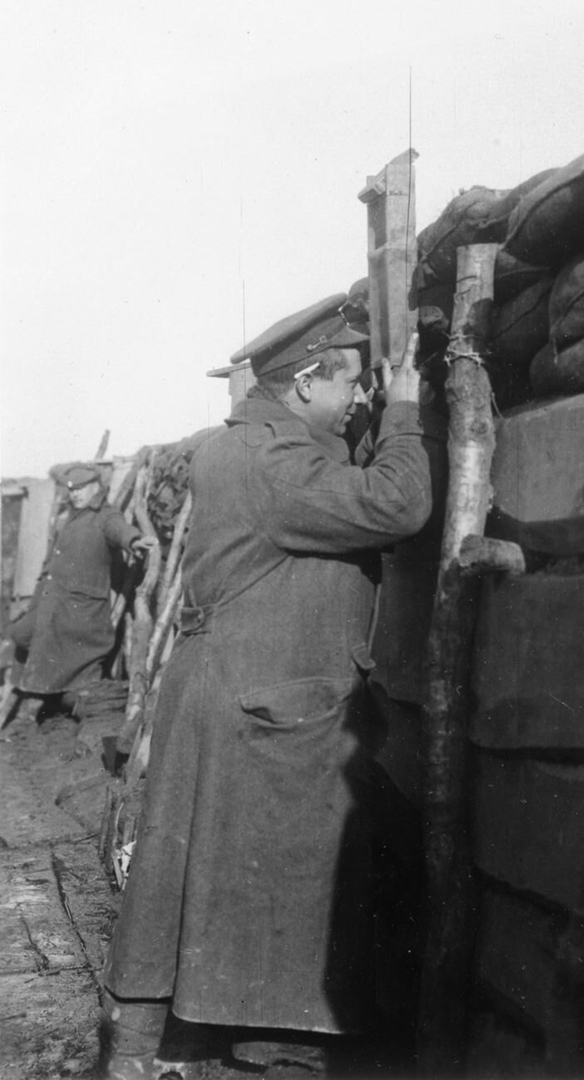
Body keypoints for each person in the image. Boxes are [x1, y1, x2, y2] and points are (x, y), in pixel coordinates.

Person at [100, 294, 436, 1079]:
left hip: (248, 688)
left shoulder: (249, 443)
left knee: (223, 871)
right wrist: (405, 415)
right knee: (284, 865)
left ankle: (224, 1031)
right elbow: (398, 504)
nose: (359, 395)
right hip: (265, 700)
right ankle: (175, 1043)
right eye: (350, 380)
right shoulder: (275, 462)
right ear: (307, 381)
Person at [4, 464, 156, 726]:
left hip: (81, 611)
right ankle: (37, 694)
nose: (75, 494)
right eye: (72, 490)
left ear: (96, 486)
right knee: (22, 633)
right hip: (52, 602)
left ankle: (32, 706)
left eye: (81, 489)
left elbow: (119, 529)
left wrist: (134, 540)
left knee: (52, 644)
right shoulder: (70, 518)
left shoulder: (105, 515)